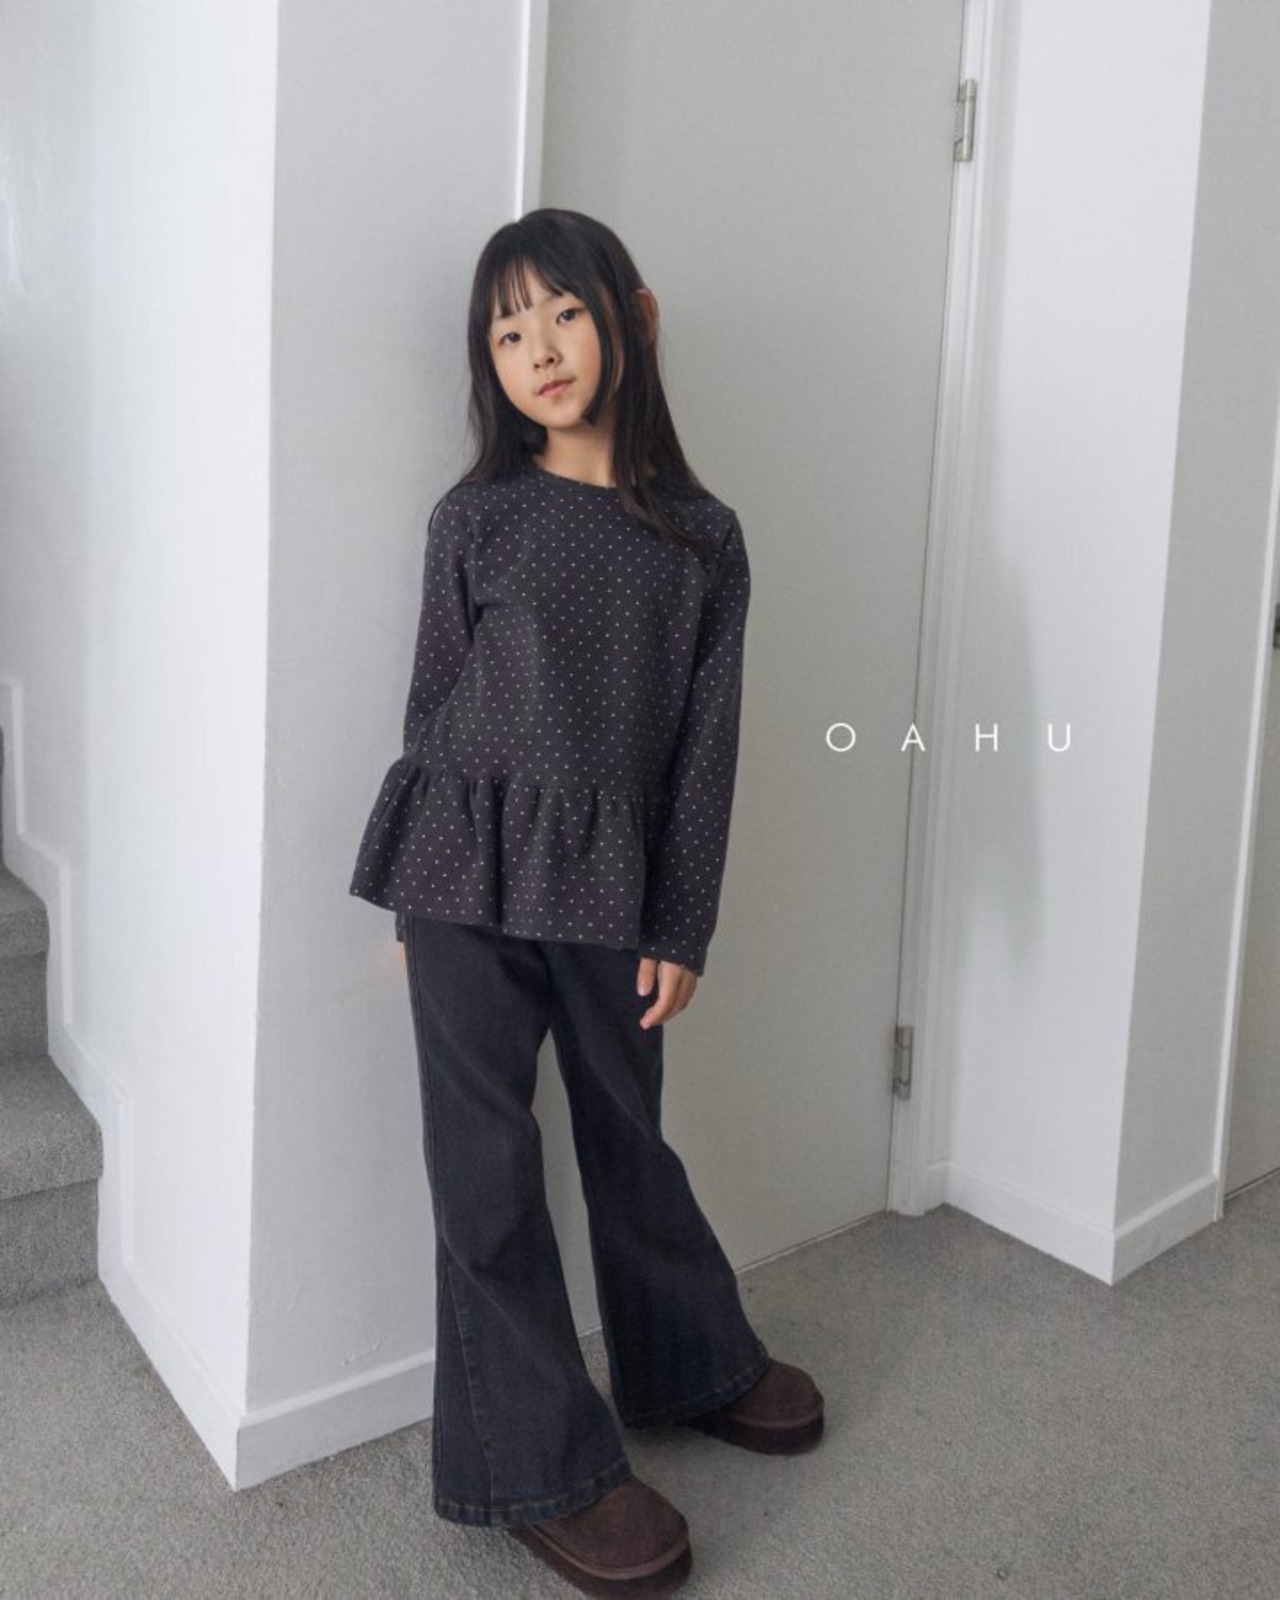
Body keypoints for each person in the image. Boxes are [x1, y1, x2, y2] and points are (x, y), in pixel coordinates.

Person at [349, 208, 823, 1598]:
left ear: (633, 318)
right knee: (485, 1168)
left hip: (613, 879)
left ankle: (689, 1362)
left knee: (630, 1134)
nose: (539, 349)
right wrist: (410, 901)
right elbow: (432, 707)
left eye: (562, 312)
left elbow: (706, 752)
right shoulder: (474, 519)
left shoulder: (702, 540)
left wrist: (683, 924)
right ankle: (541, 1464)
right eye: (508, 330)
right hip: (460, 872)